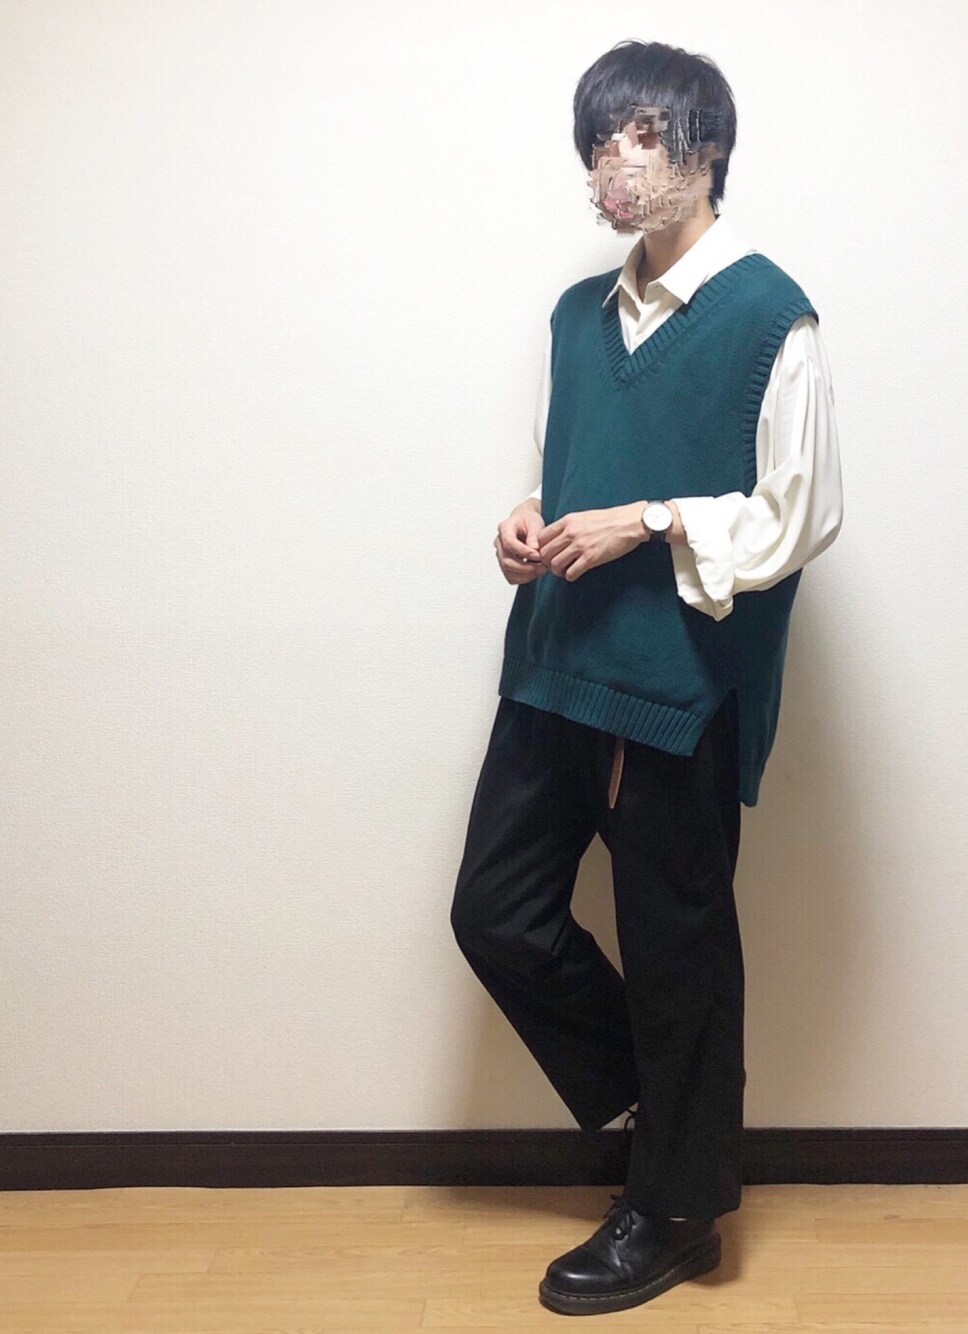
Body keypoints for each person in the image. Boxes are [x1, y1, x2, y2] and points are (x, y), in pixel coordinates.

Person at [449, 38, 843, 1316]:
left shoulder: (770, 314)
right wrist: (530, 518)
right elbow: (568, 465)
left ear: (704, 148)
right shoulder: (576, 316)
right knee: (495, 912)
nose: (609, 161)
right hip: (554, 662)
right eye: (595, 140)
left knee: (678, 951)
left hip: (677, 688)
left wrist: (654, 519)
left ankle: (675, 1209)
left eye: (637, 134)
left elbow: (799, 515)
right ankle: (680, 1116)